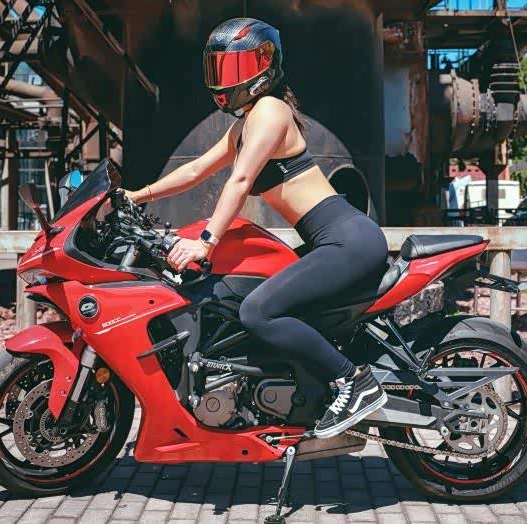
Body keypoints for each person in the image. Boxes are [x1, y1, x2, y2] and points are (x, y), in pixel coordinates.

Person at [126, 18, 388, 438]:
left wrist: (206, 243)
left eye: (235, 67)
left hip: (347, 241)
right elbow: (195, 169)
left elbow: (241, 179)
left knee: (257, 311)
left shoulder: (270, 111)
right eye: (218, 68)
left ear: (265, 66)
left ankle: (354, 381)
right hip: (332, 240)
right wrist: (137, 195)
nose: (224, 80)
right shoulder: (246, 123)